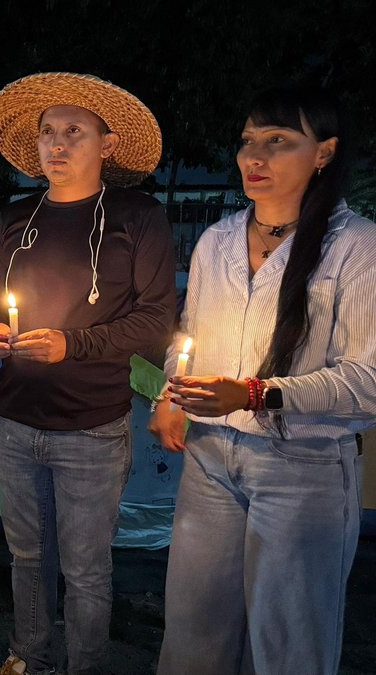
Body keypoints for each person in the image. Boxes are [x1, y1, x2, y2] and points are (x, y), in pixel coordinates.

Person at [150, 87, 373, 675]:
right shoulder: (216, 241)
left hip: (304, 466)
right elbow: (188, 337)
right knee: (193, 634)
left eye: (279, 142)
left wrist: (257, 393)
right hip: (209, 459)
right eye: (249, 141)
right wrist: (172, 391)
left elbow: (368, 381)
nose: (256, 156)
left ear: (323, 153)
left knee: (289, 641)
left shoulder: (356, 248)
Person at [0, 73, 175, 675]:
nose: (56, 144)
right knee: (25, 556)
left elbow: (155, 321)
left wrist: (74, 345)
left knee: (86, 568)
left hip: (92, 426)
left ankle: (84, 666)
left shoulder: (137, 216)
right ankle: (28, 656)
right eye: (46, 133)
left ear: (107, 143)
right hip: (14, 421)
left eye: (73, 131)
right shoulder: (16, 216)